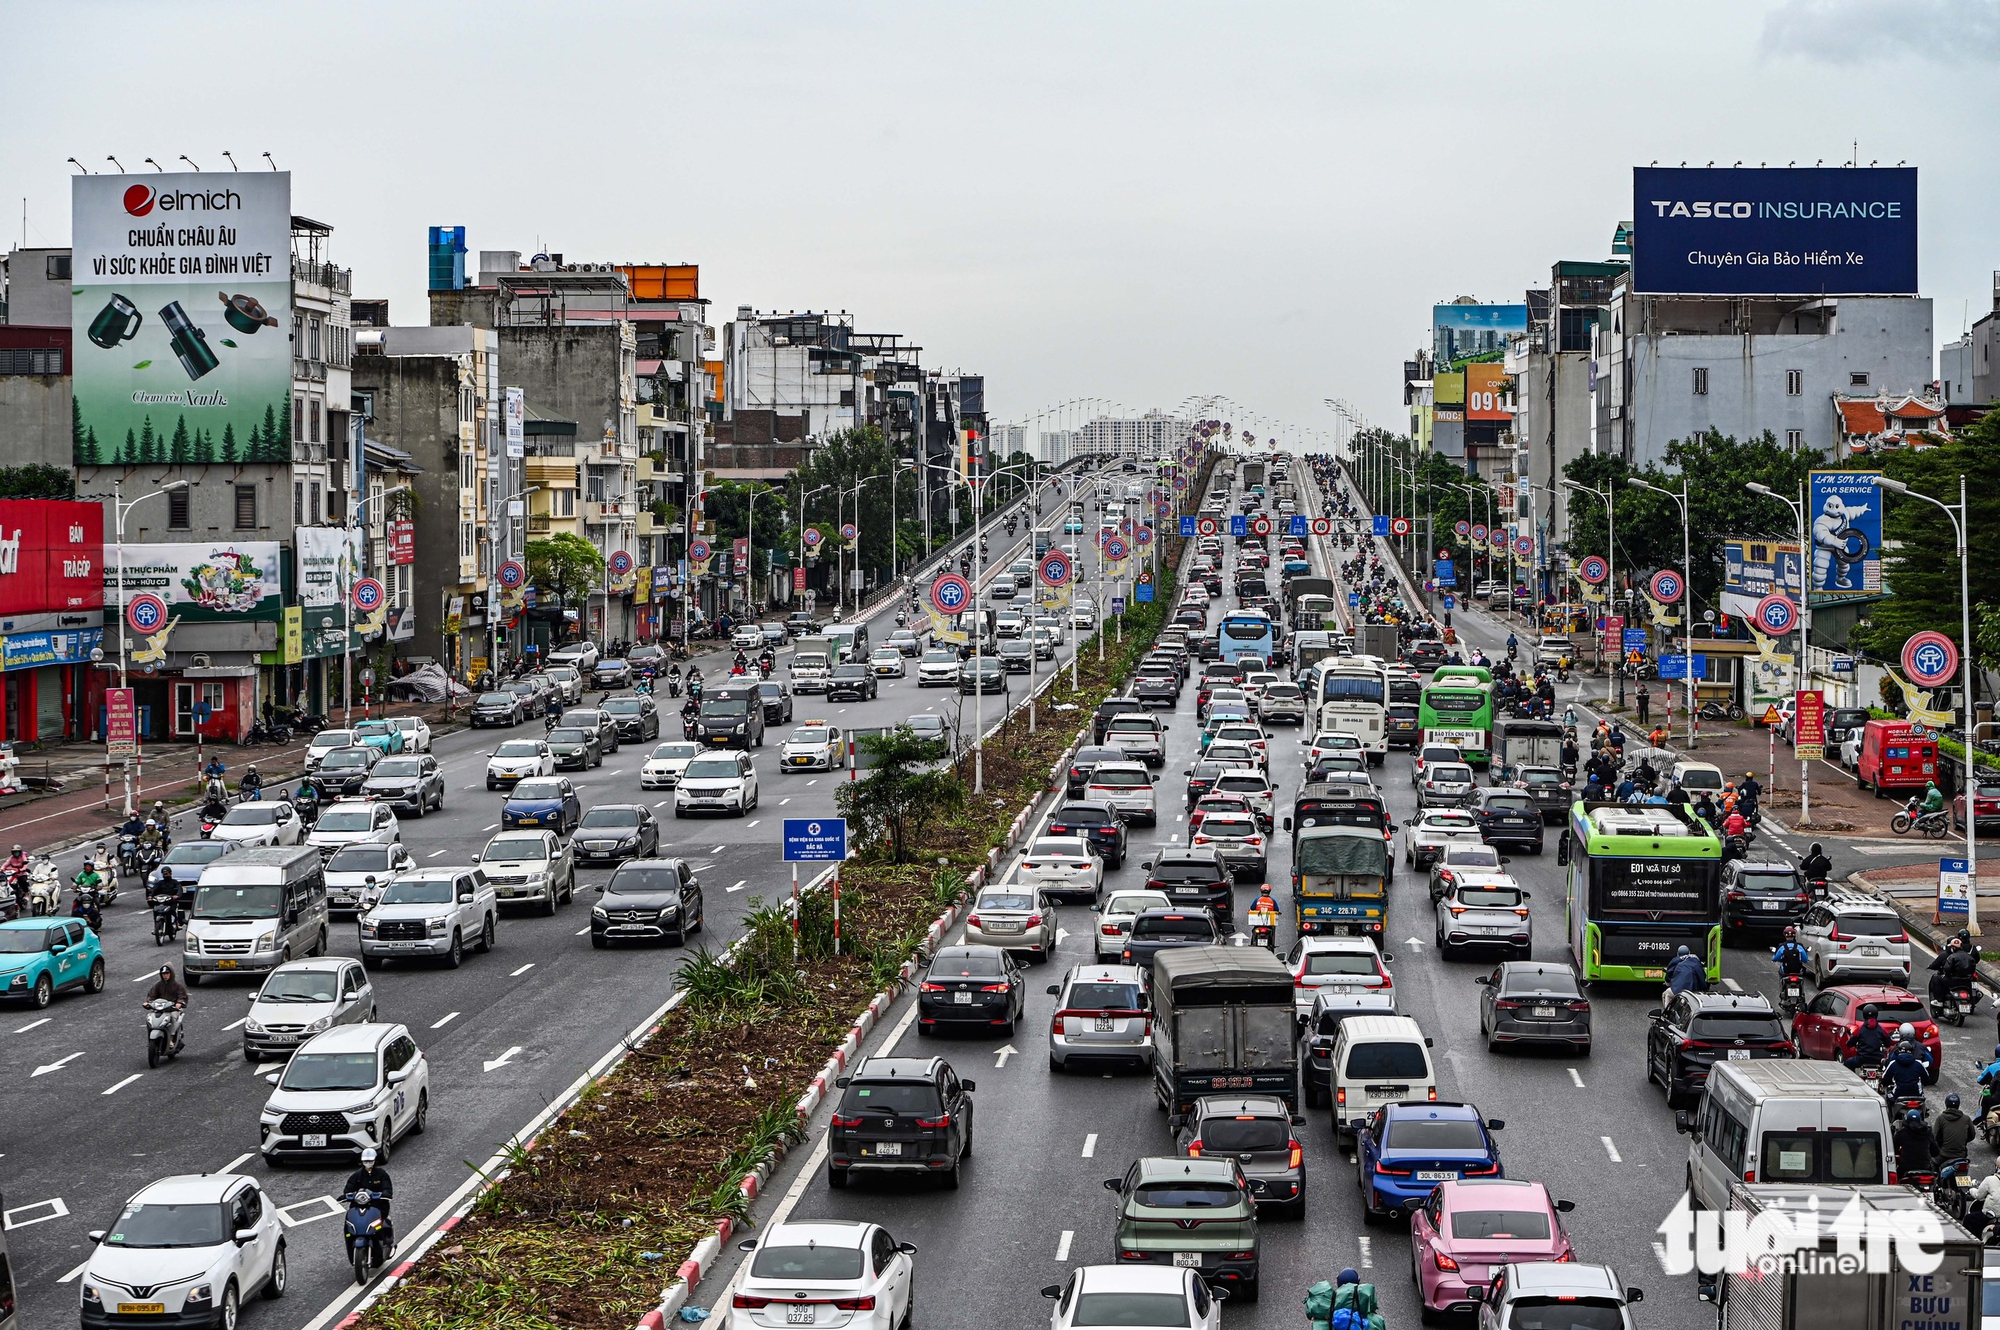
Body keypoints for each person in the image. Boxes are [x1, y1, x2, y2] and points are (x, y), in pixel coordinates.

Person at [344, 1147, 395, 1241]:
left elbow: (387, 1189)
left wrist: (384, 1194)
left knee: (381, 1226)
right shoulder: (357, 1175)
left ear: (375, 1160)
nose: (368, 1163)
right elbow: (348, 1190)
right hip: (359, 1207)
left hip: (378, 1206)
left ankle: (384, 1241)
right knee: (349, 1229)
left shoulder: (382, 1174)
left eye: (370, 1160)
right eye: (365, 1161)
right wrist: (348, 1196)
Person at [1935, 1092, 1977, 1165]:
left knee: (1933, 1163)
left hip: (1944, 1155)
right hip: (1961, 1155)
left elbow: (1935, 1136)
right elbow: (1972, 1135)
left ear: (1946, 1104)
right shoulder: (1966, 1119)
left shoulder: (1940, 1119)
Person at [1845, 1004, 1889, 1070]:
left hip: (1862, 1059)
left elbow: (1850, 1043)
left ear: (1864, 1015)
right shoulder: (1882, 1029)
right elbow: (1888, 1043)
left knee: (1848, 1063)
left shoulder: (1859, 1029)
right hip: (1878, 1060)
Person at [1894, 1108, 1935, 1178]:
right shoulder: (1928, 1133)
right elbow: (1935, 1152)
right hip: (1925, 1167)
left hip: (1905, 1169)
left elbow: (1894, 1149)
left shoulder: (1901, 1133)